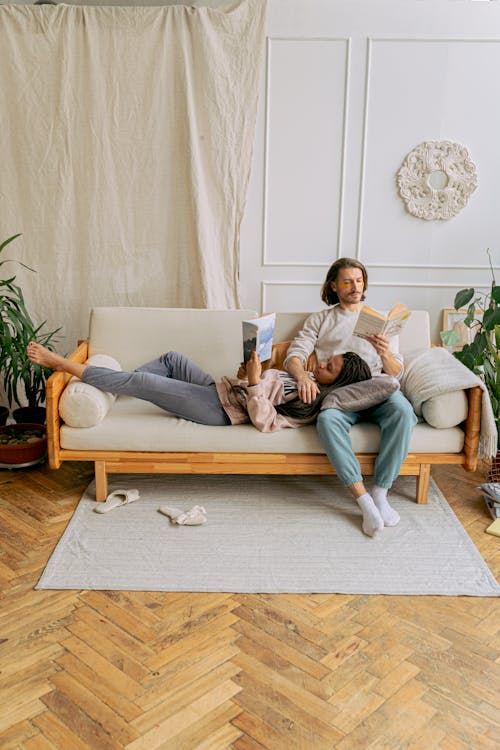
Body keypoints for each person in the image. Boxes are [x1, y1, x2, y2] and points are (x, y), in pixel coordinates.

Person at [284, 257, 418, 537]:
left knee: (404, 412)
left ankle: (381, 492)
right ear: (334, 286)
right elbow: (294, 355)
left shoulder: (381, 320)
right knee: (328, 419)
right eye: (347, 281)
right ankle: (363, 500)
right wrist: (302, 376)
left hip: (378, 388)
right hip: (340, 393)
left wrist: (384, 352)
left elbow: (396, 371)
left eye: (359, 280)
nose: (355, 287)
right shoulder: (321, 319)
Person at [27, 342, 371, 433]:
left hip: (220, 410)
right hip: (222, 390)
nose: (321, 363)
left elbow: (265, 422)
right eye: (328, 359)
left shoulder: (309, 405)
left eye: (329, 368)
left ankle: (60, 362)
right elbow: (261, 381)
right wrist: (253, 368)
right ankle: (115, 386)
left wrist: (254, 381)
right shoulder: (305, 380)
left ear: (337, 382)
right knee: (172, 359)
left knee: (146, 381)